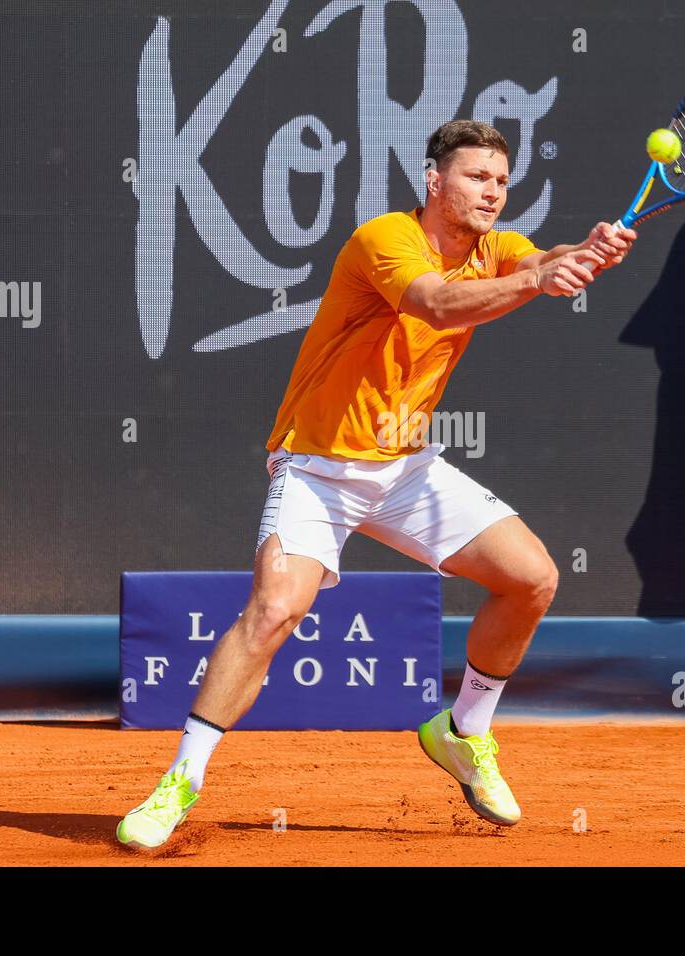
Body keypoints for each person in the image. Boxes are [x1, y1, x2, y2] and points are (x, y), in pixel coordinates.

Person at [117, 119, 636, 847]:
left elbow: (545, 257)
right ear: (434, 181)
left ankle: (463, 733)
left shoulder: (498, 250)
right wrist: (536, 279)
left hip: (405, 470)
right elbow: (436, 304)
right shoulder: (383, 239)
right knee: (271, 612)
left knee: (531, 579)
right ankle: (179, 782)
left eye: (500, 180)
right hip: (320, 468)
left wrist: (587, 255)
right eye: (476, 177)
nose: (492, 191)